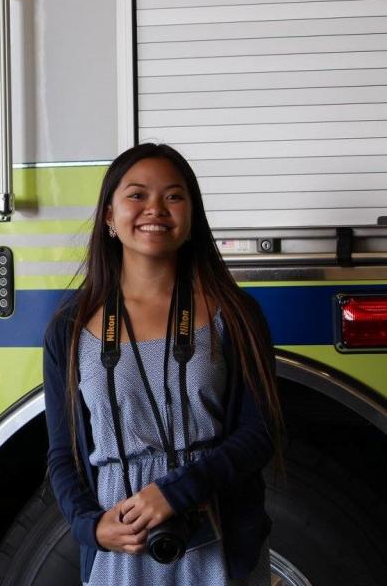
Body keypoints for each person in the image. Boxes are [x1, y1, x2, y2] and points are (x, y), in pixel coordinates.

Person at [43, 143, 281, 585]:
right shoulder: (70, 328)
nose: (155, 208)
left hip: (217, 531)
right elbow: (65, 454)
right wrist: (90, 527)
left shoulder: (235, 313)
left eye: (173, 196)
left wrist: (175, 493)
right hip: (122, 540)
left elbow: (260, 432)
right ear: (110, 217)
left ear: (191, 218)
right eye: (137, 195)